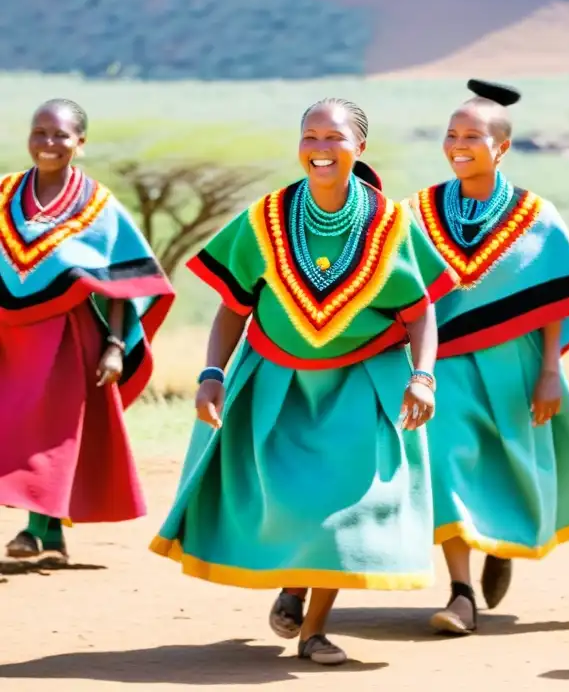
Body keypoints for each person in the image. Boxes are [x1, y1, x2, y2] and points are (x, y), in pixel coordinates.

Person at [150, 97, 457, 665]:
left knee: (344, 509)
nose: (320, 148)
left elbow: (420, 311)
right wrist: (212, 374)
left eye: (334, 137)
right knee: (290, 501)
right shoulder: (263, 219)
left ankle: (314, 630)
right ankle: (293, 582)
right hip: (277, 386)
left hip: (359, 387)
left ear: (359, 147)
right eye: (310, 136)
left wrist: (423, 378)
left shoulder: (390, 225)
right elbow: (233, 308)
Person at [416, 78, 569, 634]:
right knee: (447, 459)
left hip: (518, 361)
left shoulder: (537, 213)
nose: (459, 144)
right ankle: (461, 594)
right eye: (452, 134)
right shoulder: (420, 210)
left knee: (507, 460)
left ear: (501, 146)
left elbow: (555, 294)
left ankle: (500, 544)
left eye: (473, 136)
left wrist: (550, 371)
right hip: (447, 362)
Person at [0, 99, 175, 561]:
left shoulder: (98, 205)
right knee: (14, 427)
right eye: (40, 132)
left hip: (67, 337)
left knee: (53, 431)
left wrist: (115, 347)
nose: (48, 143)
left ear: (80, 142)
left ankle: (36, 531)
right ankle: (50, 534)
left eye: (60, 135)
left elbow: (123, 282)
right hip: (10, 338)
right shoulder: (3, 195)